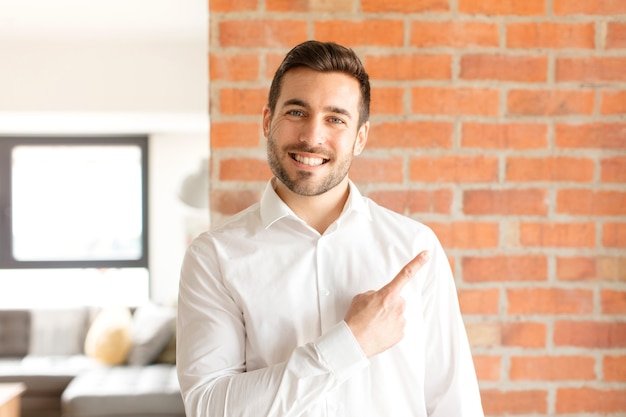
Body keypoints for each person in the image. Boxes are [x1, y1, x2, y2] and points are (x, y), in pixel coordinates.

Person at [177, 40, 484, 417]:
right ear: (266, 121)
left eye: (335, 118)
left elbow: (454, 403)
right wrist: (350, 344)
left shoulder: (415, 247)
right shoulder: (214, 256)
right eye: (296, 111)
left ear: (360, 137)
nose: (312, 136)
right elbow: (209, 408)